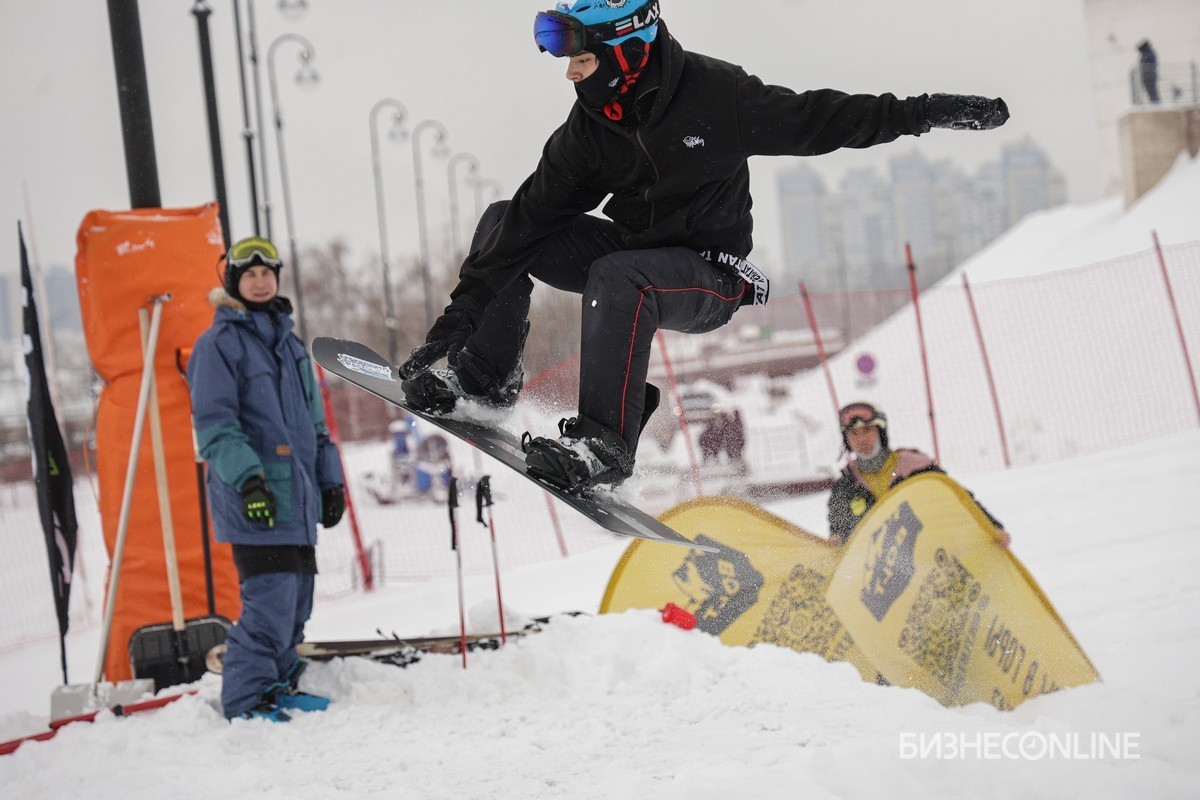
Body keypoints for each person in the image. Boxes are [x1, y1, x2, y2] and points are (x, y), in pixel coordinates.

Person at [397, 0, 1010, 494]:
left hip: (708, 275)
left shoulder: (717, 95)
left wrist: (924, 112)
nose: (570, 73)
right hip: (631, 253)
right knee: (503, 221)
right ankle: (485, 375)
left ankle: (604, 445)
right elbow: (529, 221)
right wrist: (459, 320)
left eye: (580, 59)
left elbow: (823, 119)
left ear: (624, 50)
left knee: (618, 275)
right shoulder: (590, 129)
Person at [188, 236, 347, 722]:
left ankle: (277, 685)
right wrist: (249, 481)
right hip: (256, 500)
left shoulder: (291, 345)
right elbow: (215, 427)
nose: (260, 282)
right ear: (233, 282)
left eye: (267, 273)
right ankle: (245, 701)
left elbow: (315, 426)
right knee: (269, 603)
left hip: (296, 500)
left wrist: (330, 483)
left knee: (297, 602)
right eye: (250, 275)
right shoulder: (218, 345)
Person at [826, 401, 1010, 548]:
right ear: (847, 440)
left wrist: (992, 527)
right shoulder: (846, 487)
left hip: (932, 556)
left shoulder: (915, 467)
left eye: (868, 430)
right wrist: (836, 541)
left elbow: (958, 499)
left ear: (880, 432)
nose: (862, 439)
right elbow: (840, 533)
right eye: (854, 434)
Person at [1137, 39, 1160, 104]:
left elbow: (1148, 64)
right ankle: (1155, 103)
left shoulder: (1147, 54)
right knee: (1151, 91)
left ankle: (1155, 104)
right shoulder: (1148, 53)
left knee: (1152, 91)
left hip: (1149, 75)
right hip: (1148, 75)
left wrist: (1146, 71)